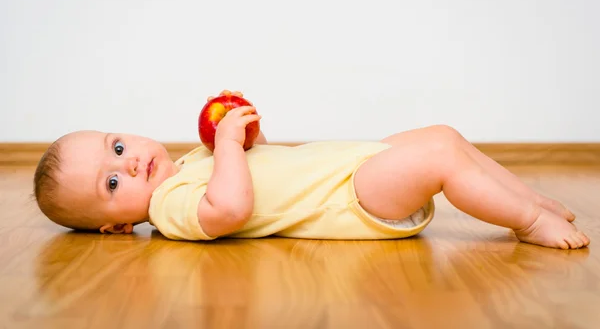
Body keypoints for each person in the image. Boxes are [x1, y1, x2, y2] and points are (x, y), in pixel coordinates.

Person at [32, 90, 590, 250]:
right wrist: (226, 148)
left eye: (118, 145)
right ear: (117, 226)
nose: (129, 164)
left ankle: (532, 199)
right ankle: (527, 221)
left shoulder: (184, 165)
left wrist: (247, 138)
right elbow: (230, 207)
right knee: (440, 159)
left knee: (444, 136)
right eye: (111, 183)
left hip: (347, 164)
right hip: (348, 198)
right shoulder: (166, 209)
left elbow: (260, 167)